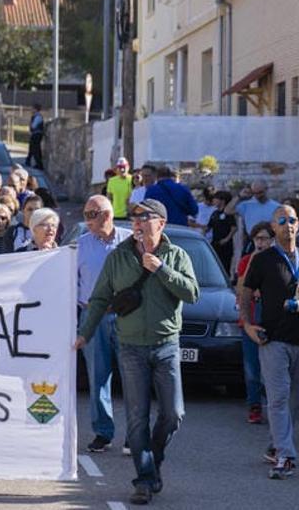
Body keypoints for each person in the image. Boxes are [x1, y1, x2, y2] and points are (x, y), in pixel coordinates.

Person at [75, 199, 199, 505]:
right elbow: (100, 298)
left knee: (173, 414)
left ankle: (152, 460)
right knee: (136, 417)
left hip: (166, 345)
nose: (138, 223)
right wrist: (84, 333)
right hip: (131, 346)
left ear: (161, 223)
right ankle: (144, 479)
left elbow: (192, 293)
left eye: (145, 218)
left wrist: (162, 270)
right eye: (135, 218)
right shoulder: (118, 257)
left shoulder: (176, 255)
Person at [241, 205, 299, 480]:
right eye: (282, 220)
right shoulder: (263, 259)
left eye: (292, 220)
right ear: (274, 227)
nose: (288, 224)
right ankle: (285, 456)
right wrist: (247, 324)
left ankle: (275, 445)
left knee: (295, 401)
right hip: (273, 339)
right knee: (278, 398)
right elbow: (245, 292)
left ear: (298, 226)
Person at [75, 196, 133, 455]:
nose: (87, 220)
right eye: (85, 214)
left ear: (107, 215)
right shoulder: (80, 245)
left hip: (126, 315)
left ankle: (134, 433)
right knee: (97, 376)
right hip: (92, 315)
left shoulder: (130, 241)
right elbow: (71, 281)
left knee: (133, 376)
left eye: (92, 214)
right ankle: (103, 432)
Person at [237, 222, 274, 425]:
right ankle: (254, 405)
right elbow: (240, 288)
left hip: (271, 319)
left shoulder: (276, 261)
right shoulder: (246, 261)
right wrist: (253, 259)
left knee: (272, 366)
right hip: (250, 319)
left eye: (264, 238)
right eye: (257, 239)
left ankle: (275, 404)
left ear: (272, 240)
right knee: (252, 366)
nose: (260, 243)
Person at [228, 180, 280, 249]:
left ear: (266, 189)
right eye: (255, 193)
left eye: (260, 192)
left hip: (270, 242)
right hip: (252, 241)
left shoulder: (276, 206)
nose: (258, 196)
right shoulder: (246, 205)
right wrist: (239, 196)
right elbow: (227, 211)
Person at [208, 191, 236, 272]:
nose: (213, 201)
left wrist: (226, 239)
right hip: (215, 243)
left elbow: (234, 228)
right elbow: (209, 226)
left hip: (225, 245)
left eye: (216, 199)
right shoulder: (215, 213)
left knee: (224, 267)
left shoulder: (228, 213)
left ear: (222, 201)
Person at [26, 103, 45, 169]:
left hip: (37, 135)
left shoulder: (38, 117)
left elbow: (33, 126)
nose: (31, 110)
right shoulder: (35, 116)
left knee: (36, 149)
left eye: (32, 108)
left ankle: (39, 164)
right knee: (32, 148)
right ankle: (28, 161)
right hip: (34, 134)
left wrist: (31, 127)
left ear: (35, 109)